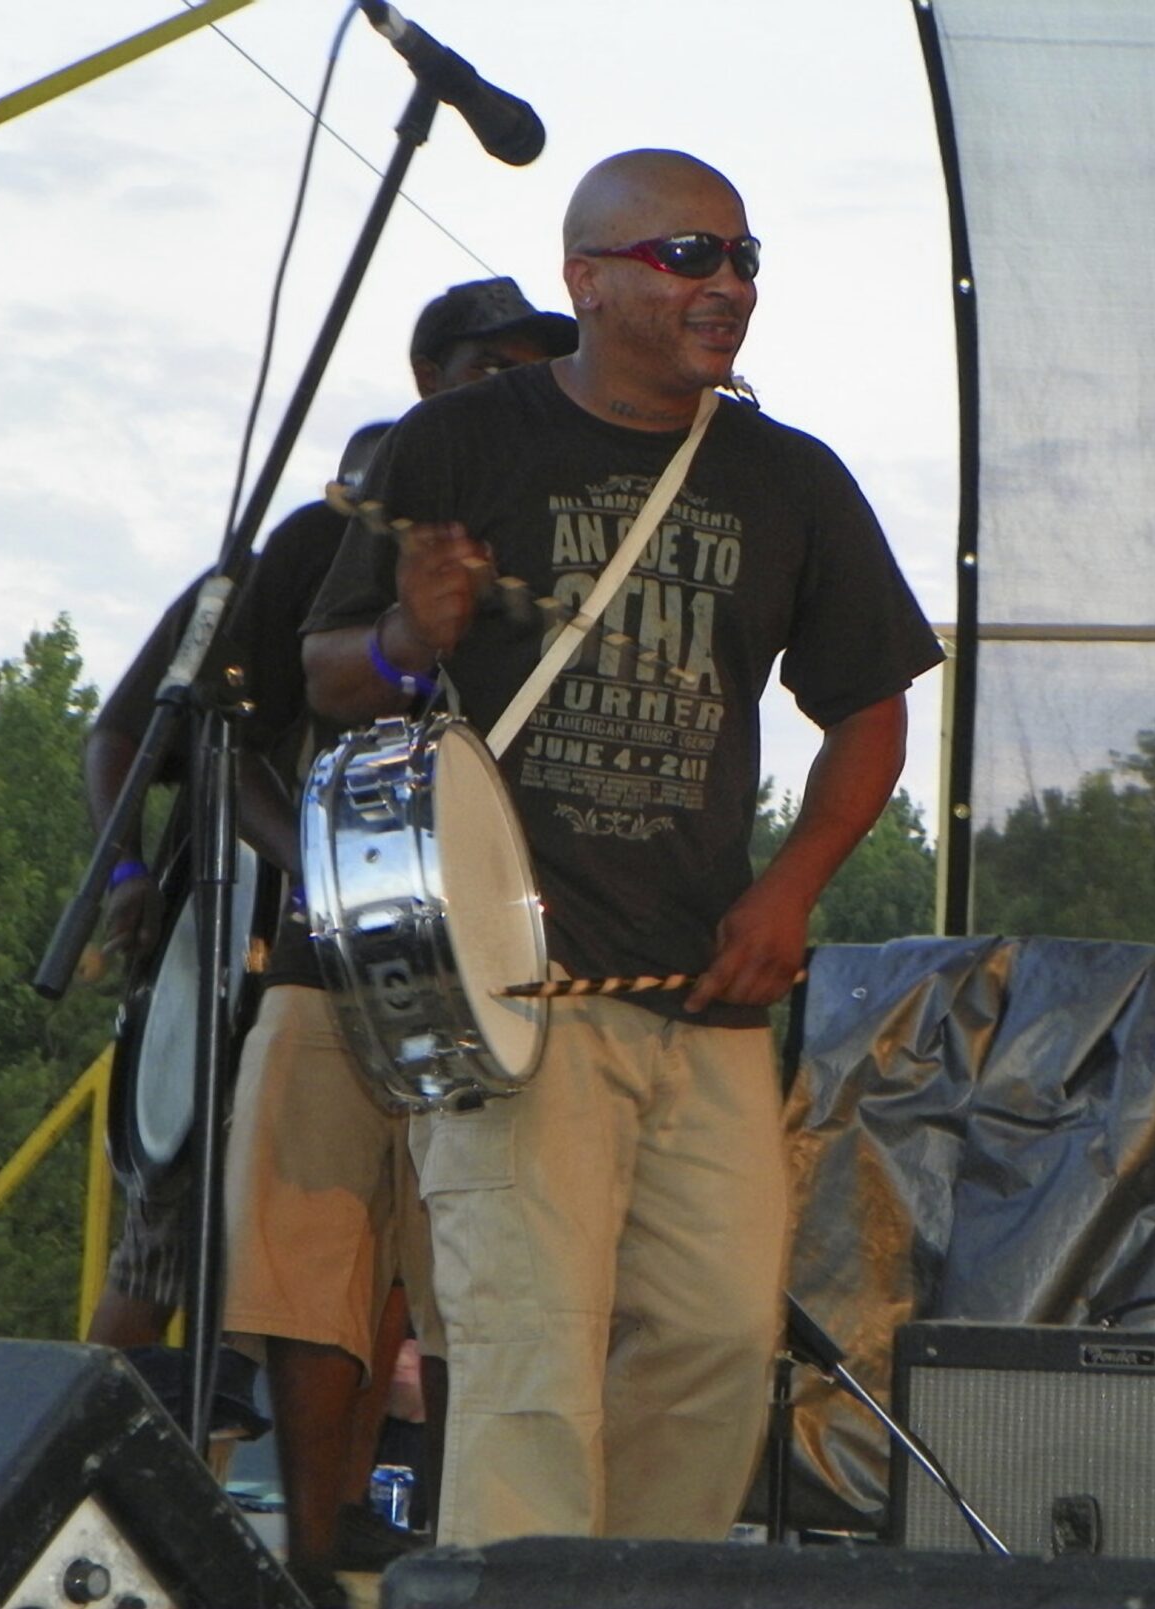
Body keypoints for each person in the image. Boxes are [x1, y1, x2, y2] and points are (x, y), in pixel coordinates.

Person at [299, 150, 943, 1546]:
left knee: (716, 1345)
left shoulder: (793, 480)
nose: (731, 284)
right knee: (531, 1366)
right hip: (516, 993)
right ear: (587, 278)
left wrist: (792, 889)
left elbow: (873, 715)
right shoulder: (468, 442)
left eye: (744, 257)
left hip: (703, 994)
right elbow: (331, 679)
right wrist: (414, 636)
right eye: (689, 256)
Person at [209, 279, 577, 1607]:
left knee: (477, 1257)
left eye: (543, 361)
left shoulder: (556, 527)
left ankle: (470, 1538)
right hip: (333, 950)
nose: (520, 380)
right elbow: (239, 733)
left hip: (497, 959)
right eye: (497, 361)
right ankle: (315, 1542)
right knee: (309, 1243)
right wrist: (305, 856)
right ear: (431, 371)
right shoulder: (331, 533)